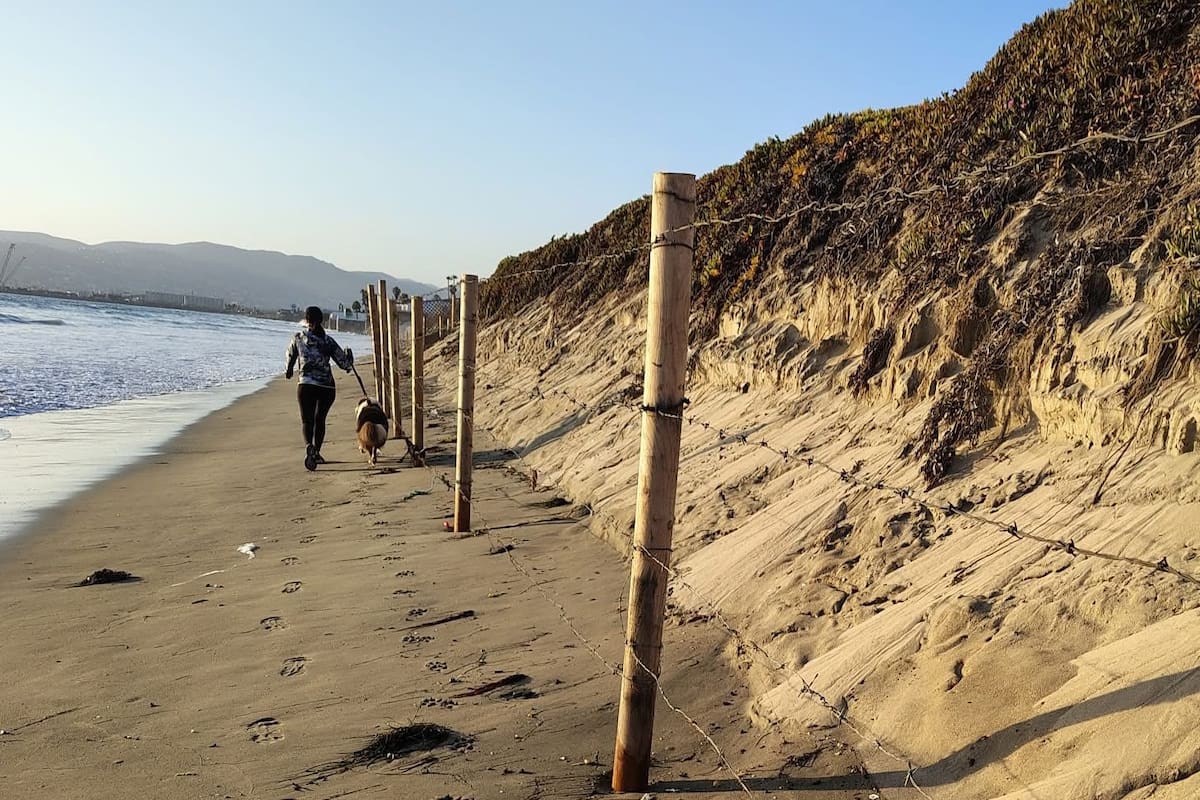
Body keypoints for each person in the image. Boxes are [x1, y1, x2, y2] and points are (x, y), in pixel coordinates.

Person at [285, 306, 354, 471]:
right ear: (321, 320)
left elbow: (290, 357)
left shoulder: (298, 338)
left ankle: (309, 445)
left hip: (305, 384)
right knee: (320, 419)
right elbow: (345, 364)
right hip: (326, 386)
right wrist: (349, 355)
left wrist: (289, 370)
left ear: (306, 319)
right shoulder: (328, 341)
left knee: (307, 420)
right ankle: (317, 452)